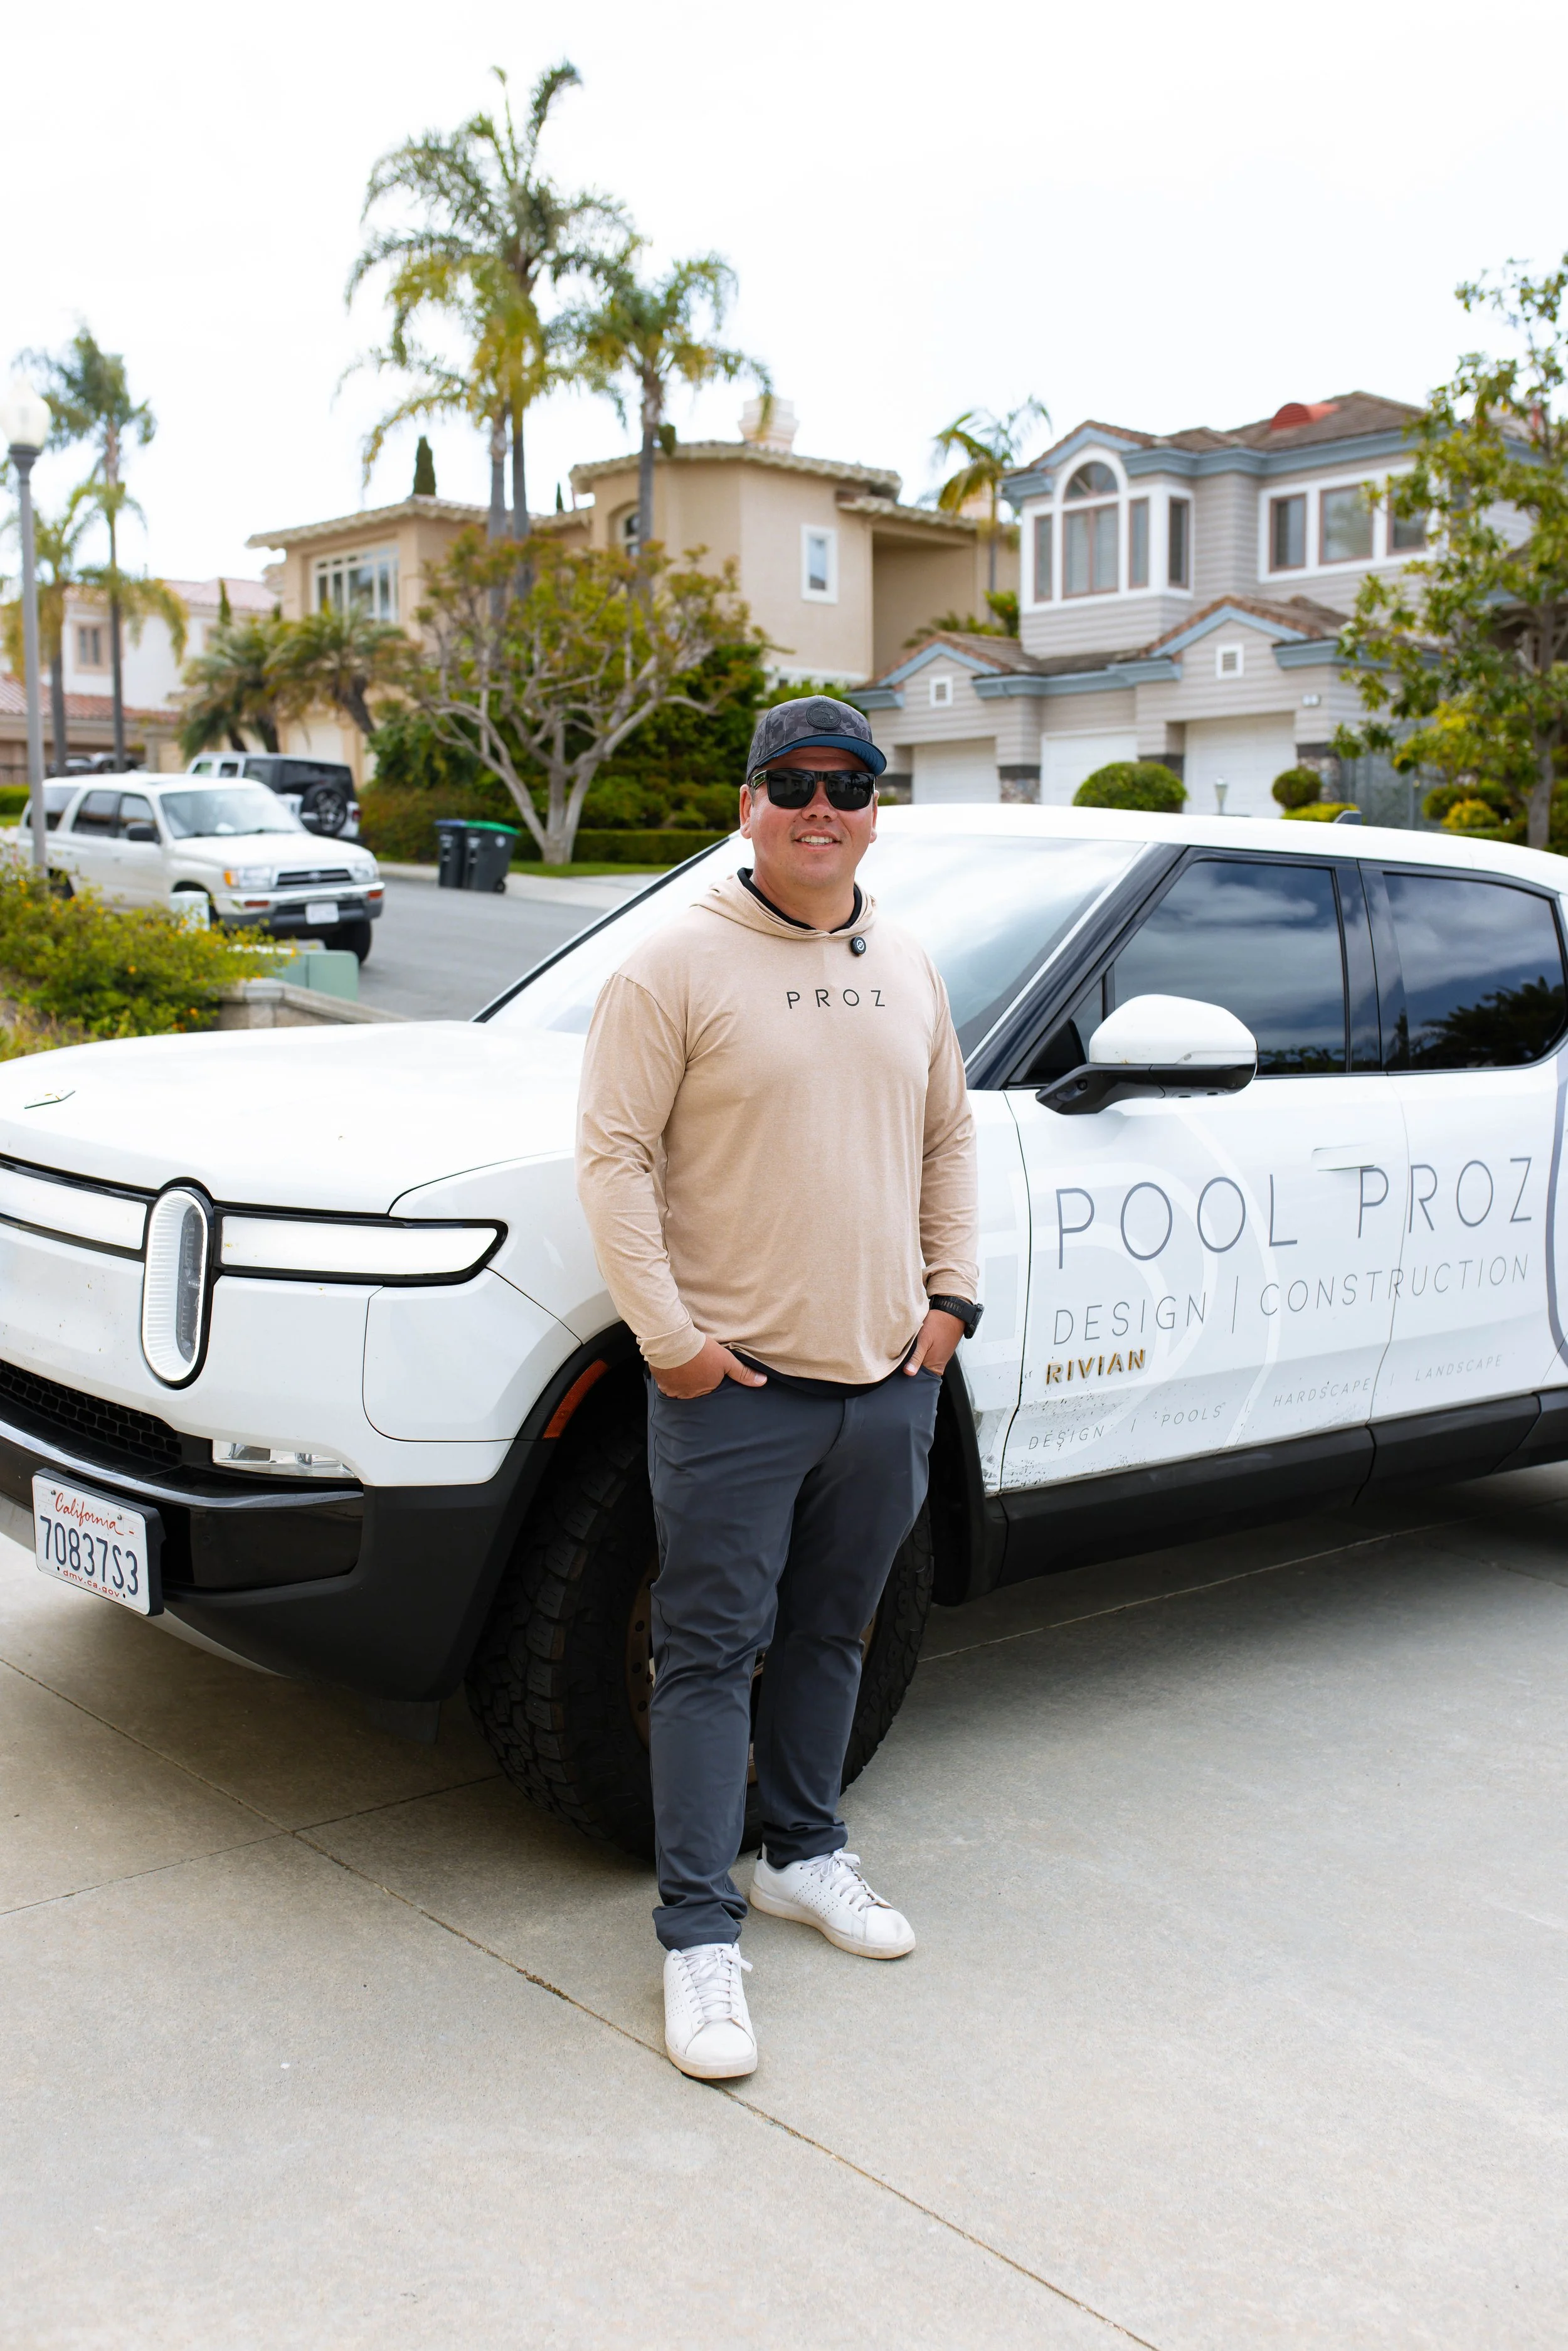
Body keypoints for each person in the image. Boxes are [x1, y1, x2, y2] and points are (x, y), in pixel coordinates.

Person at [576, 694, 980, 2081]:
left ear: (877, 807)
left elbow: (946, 1139)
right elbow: (613, 1162)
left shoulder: (907, 963)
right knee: (704, 1654)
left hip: (884, 1379)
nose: (823, 808)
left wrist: (946, 1303)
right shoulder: (671, 964)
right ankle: (697, 1935)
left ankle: (802, 1851)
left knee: (834, 1633)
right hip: (733, 1388)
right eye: (794, 783)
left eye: (850, 784)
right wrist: (672, 1342)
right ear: (747, 803)